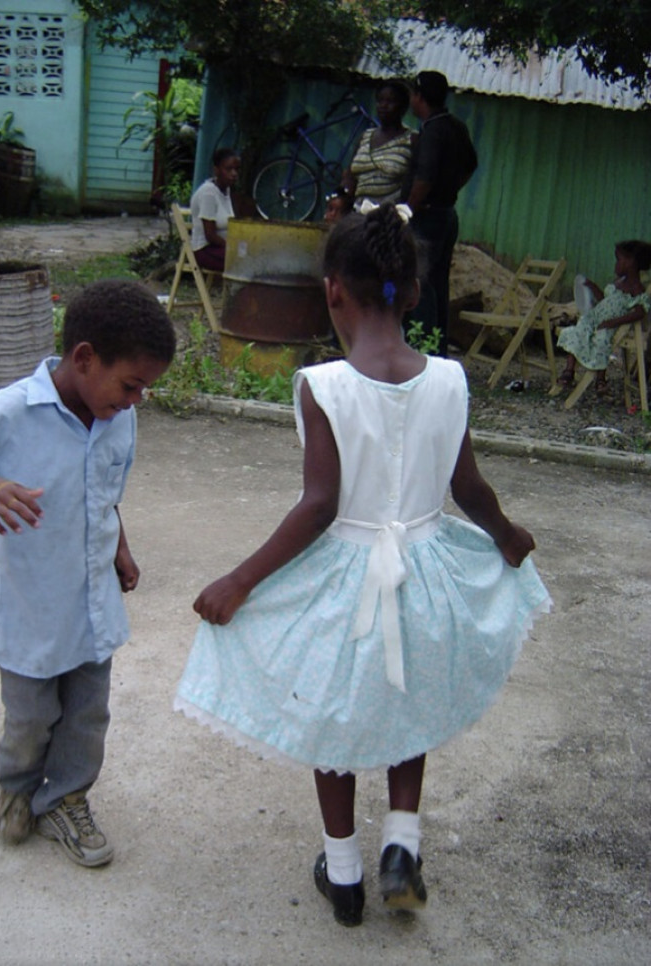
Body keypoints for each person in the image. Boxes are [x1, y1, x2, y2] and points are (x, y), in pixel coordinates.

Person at [174, 203, 550, 927]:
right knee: (409, 711)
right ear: (412, 292)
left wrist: (240, 580)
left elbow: (320, 506)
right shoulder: (449, 379)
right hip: (427, 571)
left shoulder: (324, 385)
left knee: (337, 716)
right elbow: (467, 488)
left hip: (348, 577)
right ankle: (401, 855)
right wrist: (506, 535)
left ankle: (343, 874)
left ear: (332, 291)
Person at [0, 280, 175, 868]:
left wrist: (121, 549)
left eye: (145, 389)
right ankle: (17, 787)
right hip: (34, 609)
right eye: (131, 384)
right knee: (31, 717)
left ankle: (66, 799)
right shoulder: (11, 413)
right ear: (84, 358)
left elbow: (105, 493)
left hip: (94, 603)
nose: (136, 399)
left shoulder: (118, 417)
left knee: (87, 716)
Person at [403, 71, 478, 357]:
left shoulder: (433, 131)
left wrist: (408, 209)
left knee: (419, 281)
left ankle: (423, 346)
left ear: (419, 97)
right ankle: (437, 348)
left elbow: (424, 177)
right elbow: (471, 164)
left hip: (427, 216)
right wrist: (451, 190)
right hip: (447, 213)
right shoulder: (455, 126)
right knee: (437, 282)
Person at [557, 240, 651, 397]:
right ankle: (569, 370)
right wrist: (592, 287)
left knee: (602, 341)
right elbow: (604, 301)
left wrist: (612, 322)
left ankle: (600, 378)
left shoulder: (636, 288)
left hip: (610, 325)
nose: (616, 264)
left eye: (618, 260)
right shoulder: (618, 283)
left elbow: (640, 313)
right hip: (595, 318)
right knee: (577, 331)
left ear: (631, 262)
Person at [343, 78, 414, 209]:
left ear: (403, 107)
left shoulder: (411, 140)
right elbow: (350, 175)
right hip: (359, 213)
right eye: (380, 101)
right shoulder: (365, 136)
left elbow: (418, 180)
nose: (383, 106)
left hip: (391, 216)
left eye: (390, 101)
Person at [189, 146, 241, 272]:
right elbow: (210, 235)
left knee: (251, 255)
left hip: (221, 249)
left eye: (236, 169)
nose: (234, 174)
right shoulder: (209, 193)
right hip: (205, 250)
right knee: (244, 261)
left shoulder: (226, 190)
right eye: (229, 169)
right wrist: (232, 247)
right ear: (216, 170)